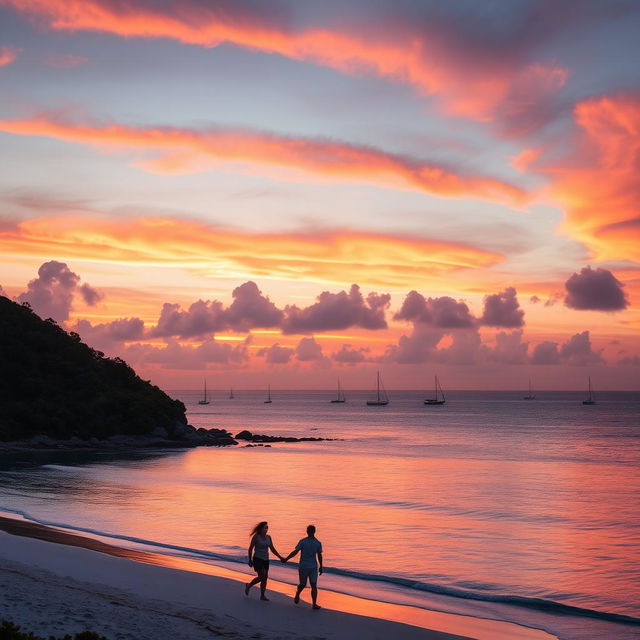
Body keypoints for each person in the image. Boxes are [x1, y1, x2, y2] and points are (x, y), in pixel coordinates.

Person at [284, 524, 323, 610]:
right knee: (303, 584)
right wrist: (286, 558)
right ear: (307, 532)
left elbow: (319, 555)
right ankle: (298, 593)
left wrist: (321, 566)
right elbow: (295, 552)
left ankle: (314, 604)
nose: (310, 533)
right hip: (303, 566)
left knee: (314, 585)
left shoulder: (317, 543)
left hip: (313, 567)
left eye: (311, 531)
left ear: (314, 531)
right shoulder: (303, 541)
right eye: (309, 531)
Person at [245, 521, 284, 601]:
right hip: (257, 559)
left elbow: (272, 549)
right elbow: (251, 548)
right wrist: (250, 560)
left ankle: (261, 594)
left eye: (267, 528)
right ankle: (250, 586)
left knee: (263, 578)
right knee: (263, 576)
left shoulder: (268, 537)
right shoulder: (256, 537)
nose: (266, 529)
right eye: (265, 528)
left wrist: (280, 557)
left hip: (266, 560)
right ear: (261, 529)